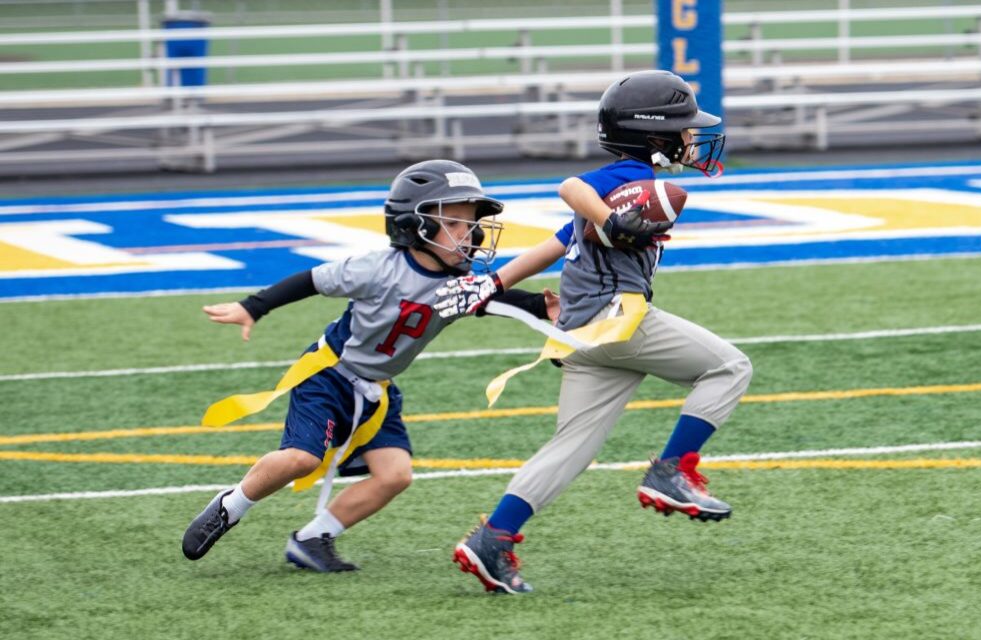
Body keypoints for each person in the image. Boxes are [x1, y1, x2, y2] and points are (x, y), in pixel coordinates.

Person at [436, 71, 754, 594]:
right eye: (684, 128)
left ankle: (494, 537)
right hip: (615, 320)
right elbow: (570, 187)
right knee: (729, 367)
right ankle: (672, 470)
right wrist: (612, 216)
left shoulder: (632, 185)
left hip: (582, 337)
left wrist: (492, 282)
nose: (693, 138)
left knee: (573, 446)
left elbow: (555, 244)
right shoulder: (625, 178)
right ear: (655, 135)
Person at [181, 159, 556, 572]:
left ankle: (313, 538)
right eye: (459, 223)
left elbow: (497, 300)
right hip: (330, 374)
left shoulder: (457, 285)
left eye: (472, 224)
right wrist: (253, 307)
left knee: (394, 475)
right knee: (301, 458)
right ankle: (230, 506)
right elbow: (311, 280)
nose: (474, 234)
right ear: (418, 227)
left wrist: (542, 307)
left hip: (377, 389)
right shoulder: (378, 269)